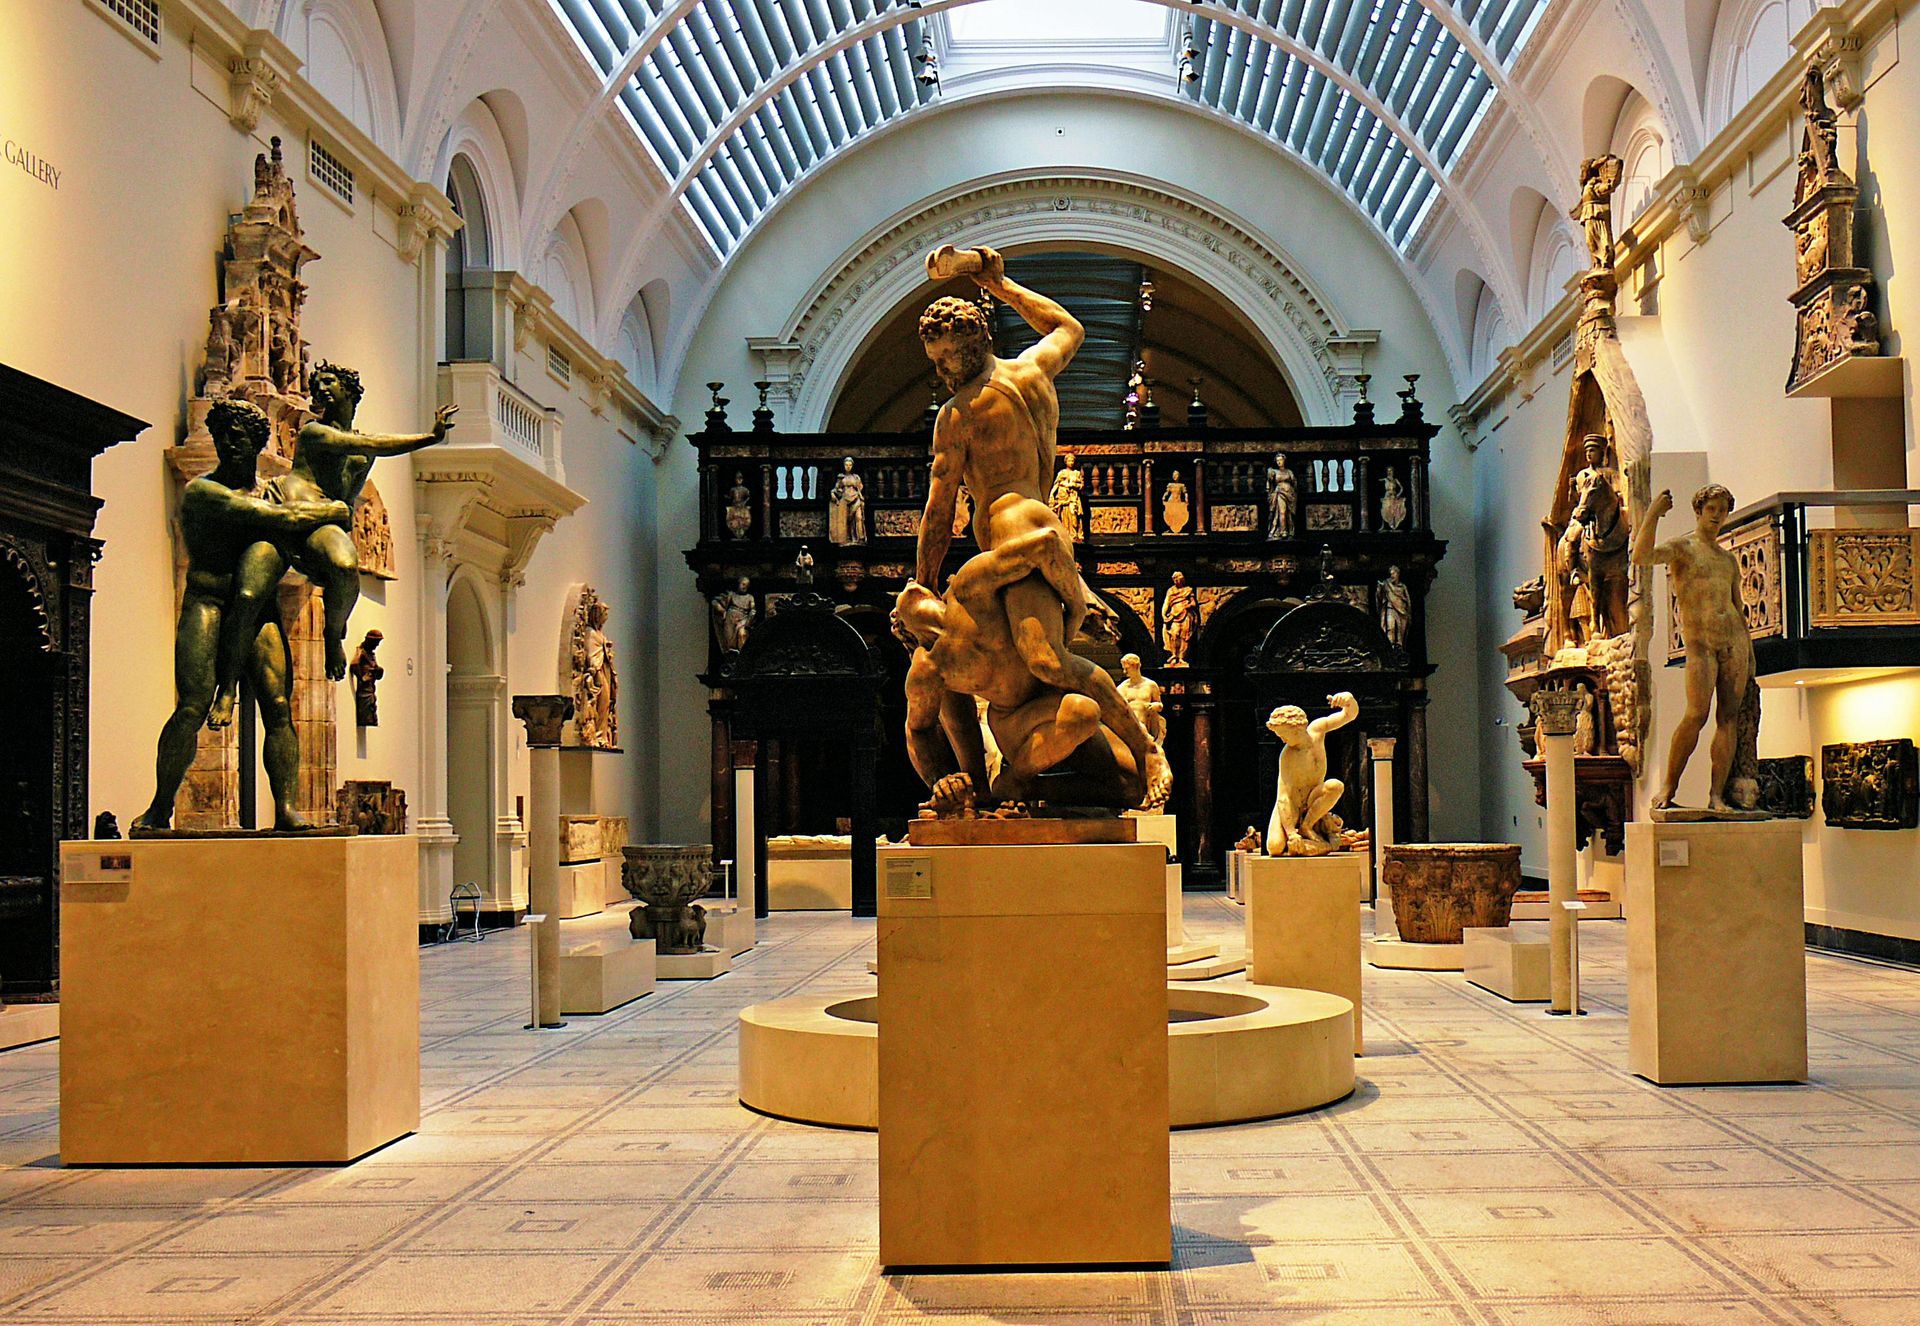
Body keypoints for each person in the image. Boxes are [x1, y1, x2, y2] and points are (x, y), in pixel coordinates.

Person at [909, 244, 1160, 802]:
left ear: (977, 343)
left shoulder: (957, 416)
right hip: (1043, 524)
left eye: (949, 356)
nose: (944, 368)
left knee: (1046, 661)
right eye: (937, 360)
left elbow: (939, 509)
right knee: (1035, 666)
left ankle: (1143, 748)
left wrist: (922, 582)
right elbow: (1069, 327)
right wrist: (1002, 285)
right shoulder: (1032, 371)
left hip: (1011, 536)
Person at [135, 400, 349, 831]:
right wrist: (338, 510)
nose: (228, 444)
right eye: (221, 437)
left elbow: (302, 526)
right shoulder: (204, 491)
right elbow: (283, 517)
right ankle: (160, 806)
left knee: (278, 705)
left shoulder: (271, 488)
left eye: (239, 436)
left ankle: (286, 806)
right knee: (192, 705)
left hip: (259, 609)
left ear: (257, 442)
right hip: (208, 602)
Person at [207, 362, 454, 728]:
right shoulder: (314, 432)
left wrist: (344, 516)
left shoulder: (361, 446)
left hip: (324, 521)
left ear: (350, 391)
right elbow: (369, 443)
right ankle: (226, 688)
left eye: (329, 382)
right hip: (291, 508)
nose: (320, 389)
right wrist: (429, 437)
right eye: (316, 384)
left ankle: (332, 633)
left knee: (343, 567)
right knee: (246, 596)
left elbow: (352, 484)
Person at [894, 526, 1157, 814]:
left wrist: (1079, 608)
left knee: (1132, 787)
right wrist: (940, 779)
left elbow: (1046, 543)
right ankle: (1015, 780)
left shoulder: (971, 586)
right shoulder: (929, 667)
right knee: (1082, 711)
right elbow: (919, 729)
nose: (911, 585)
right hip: (1015, 721)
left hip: (1053, 698)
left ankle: (1023, 788)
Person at [1632, 483, 1762, 814]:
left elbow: (1738, 605)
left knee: (1728, 718)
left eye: (1723, 510)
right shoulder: (1683, 548)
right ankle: (1668, 787)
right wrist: (1654, 514)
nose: (1717, 516)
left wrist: (1750, 652)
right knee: (1696, 715)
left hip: (1733, 641)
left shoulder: (1728, 560)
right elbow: (1641, 556)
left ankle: (1716, 796)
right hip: (1700, 644)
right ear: (1699, 511)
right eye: (1712, 509)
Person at [1265, 693, 1360, 857]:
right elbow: (1283, 797)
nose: (1282, 740)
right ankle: (1310, 838)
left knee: (1335, 785)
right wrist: (1290, 832)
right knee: (1274, 847)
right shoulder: (1287, 756)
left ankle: (1307, 826)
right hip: (1292, 804)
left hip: (1313, 798)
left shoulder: (1317, 729)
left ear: (1296, 729)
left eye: (1283, 735)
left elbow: (1349, 716)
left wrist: (1349, 700)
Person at [1161, 571, 1198, 667]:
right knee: (1174, 634)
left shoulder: (1188, 590)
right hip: (1174, 614)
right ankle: (1174, 655)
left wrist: (1188, 605)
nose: (1176, 581)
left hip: (1185, 614)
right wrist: (1164, 615)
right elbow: (1166, 603)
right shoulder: (1171, 591)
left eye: (1178, 579)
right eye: (1175, 579)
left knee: (1184, 636)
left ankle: (1181, 657)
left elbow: (1193, 603)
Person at [827, 456, 866, 545]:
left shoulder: (856, 477)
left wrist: (860, 495)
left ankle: (859, 537)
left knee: (858, 517)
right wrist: (833, 494)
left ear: (852, 466)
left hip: (856, 498)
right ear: (844, 466)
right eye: (846, 465)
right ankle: (849, 537)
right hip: (845, 499)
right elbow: (836, 489)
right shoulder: (841, 478)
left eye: (850, 465)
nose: (848, 467)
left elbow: (860, 488)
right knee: (847, 519)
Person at [1266, 453, 1297, 539]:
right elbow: (1269, 483)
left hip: (1290, 493)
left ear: (1284, 461)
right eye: (1277, 461)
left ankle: (1291, 530)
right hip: (1280, 492)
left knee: (1289, 513)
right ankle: (1283, 531)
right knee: (1281, 512)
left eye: (1280, 460)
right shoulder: (1274, 472)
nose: (1279, 462)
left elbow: (1294, 483)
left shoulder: (1289, 471)